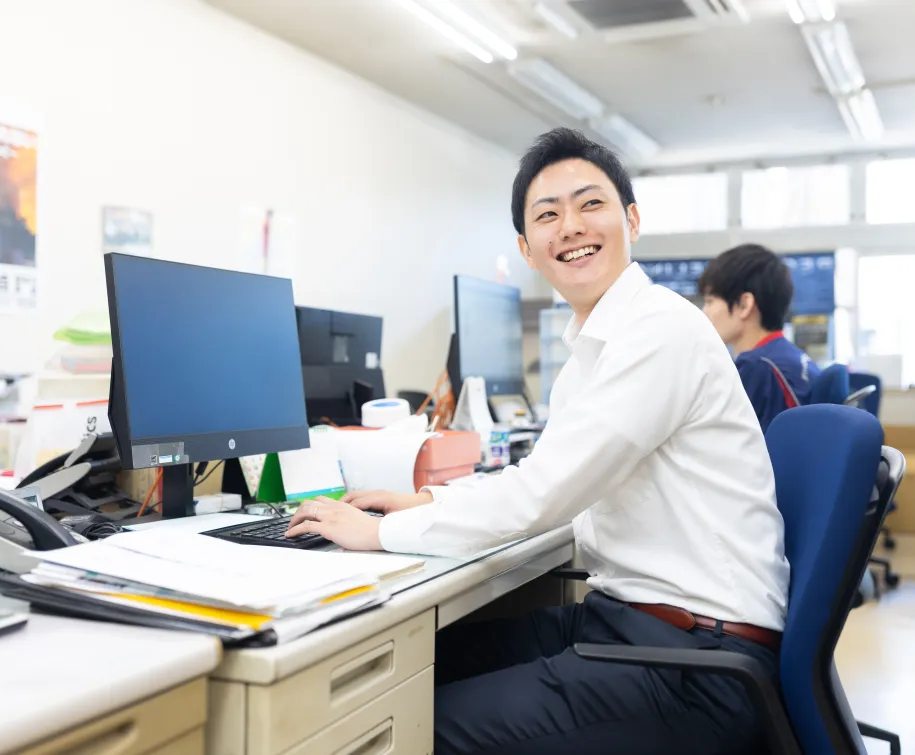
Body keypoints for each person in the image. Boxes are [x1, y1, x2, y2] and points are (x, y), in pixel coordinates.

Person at [286, 128, 789, 754]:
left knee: (406, 725)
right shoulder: (591, 355)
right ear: (527, 248)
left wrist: (378, 532)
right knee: (425, 665)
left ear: (632, 220)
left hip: (700, 664)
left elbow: (541, 496)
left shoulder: (660, 330)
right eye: (548, 215)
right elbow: (544, 477)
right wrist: (426, 502)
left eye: (591, 204)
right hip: (634, 624)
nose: (570, 226)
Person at [697, 244, 820, 433]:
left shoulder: (756, 367)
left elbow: (725, 440)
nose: (704, 312)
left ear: (744, 305)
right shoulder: (787, 357)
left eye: (710, 301)